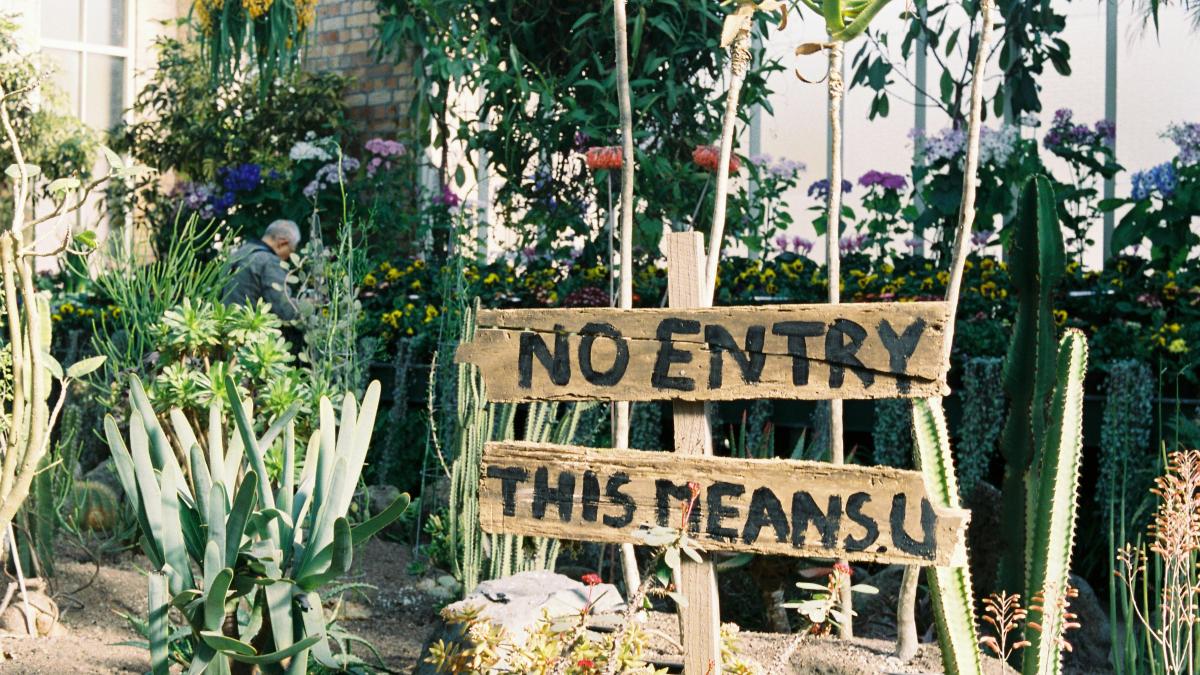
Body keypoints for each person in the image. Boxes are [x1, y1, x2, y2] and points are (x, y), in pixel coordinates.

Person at [224, 219, 300, 321]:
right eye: (290, 251)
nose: (289, 257)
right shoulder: (269, 262)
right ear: (282, 243)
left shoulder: (240, 252)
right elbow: (284, 310)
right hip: (245, 328)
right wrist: (307, 304)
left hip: (220, 323)